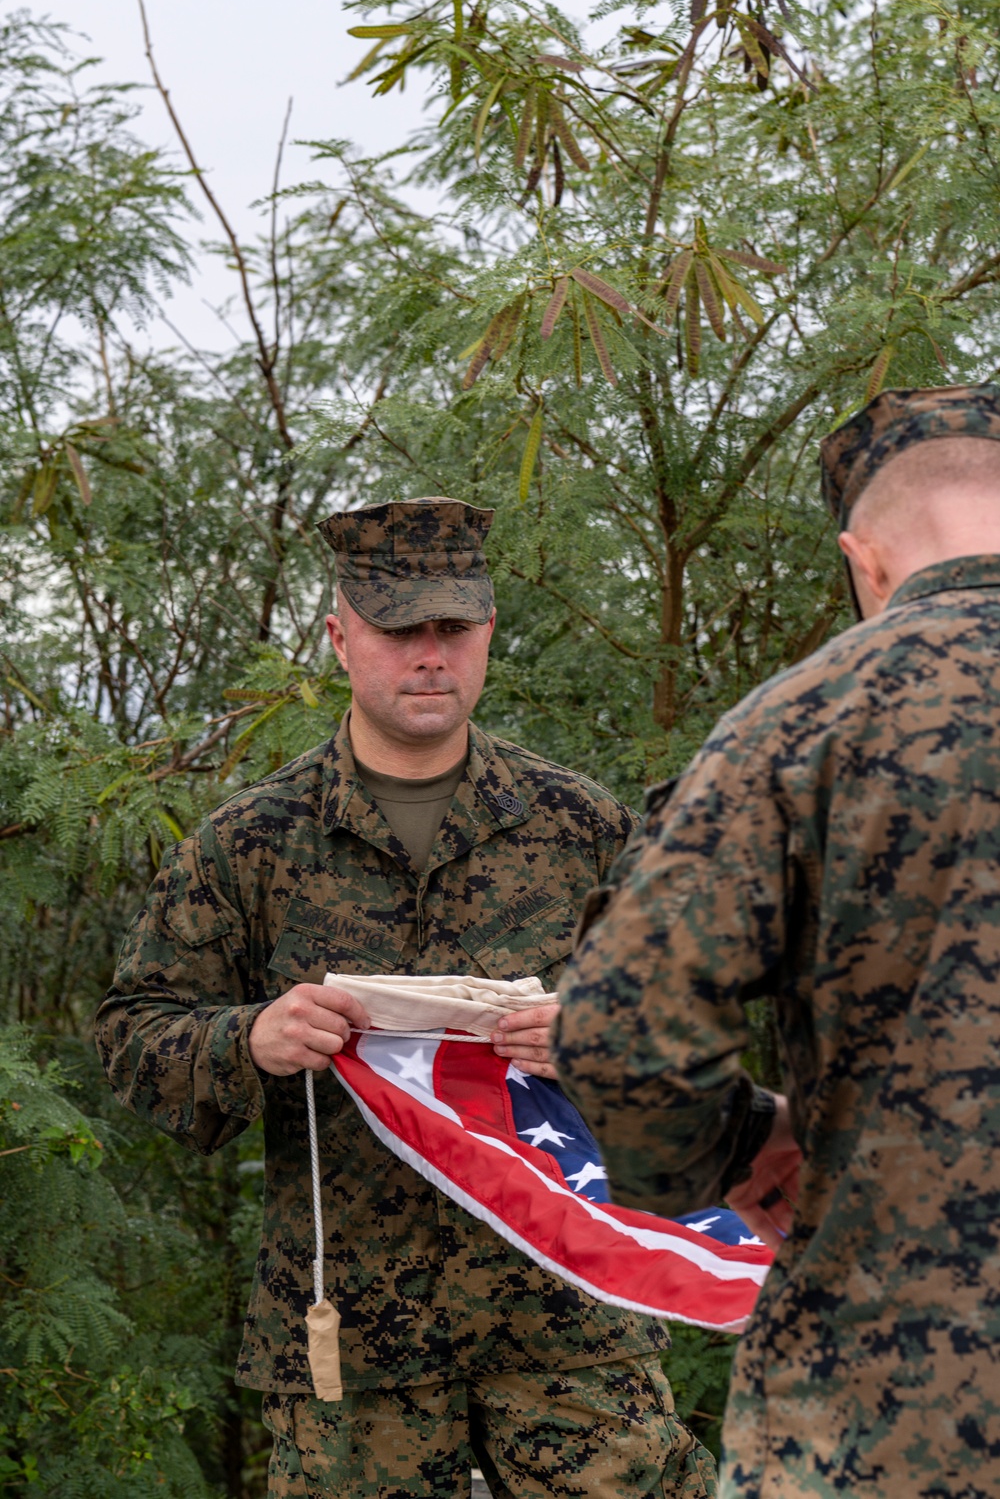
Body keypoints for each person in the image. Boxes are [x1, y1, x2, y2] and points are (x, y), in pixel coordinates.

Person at [95, 498, 716, 1499]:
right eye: (398, 630)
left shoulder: (580, 827)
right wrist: (251, 1036)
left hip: (568, 1323)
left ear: (487, 633)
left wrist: (600, 1035)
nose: (428, 656)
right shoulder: (251, 844)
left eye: (452, 629)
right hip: (355, 1347)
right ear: (341, 638)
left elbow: (698, 1021)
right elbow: (132, 1036)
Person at [553, 385, 1000, 1499]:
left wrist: (743, 1153)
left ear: (867, 561)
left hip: (894, 1412)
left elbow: (619, 1036)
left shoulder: (804, 720)